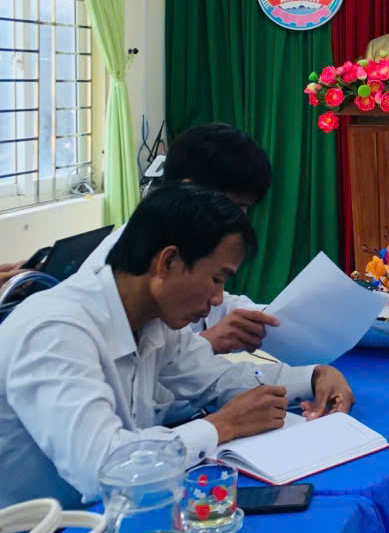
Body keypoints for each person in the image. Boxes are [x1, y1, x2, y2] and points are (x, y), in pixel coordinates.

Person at [0, 184, 354, 510]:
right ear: (167, 262)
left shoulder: (150, 318)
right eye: (216, 279)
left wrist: (313, 377)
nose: (218, 299)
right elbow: (102, 469)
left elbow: (215, 379)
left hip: (108, 518)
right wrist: (221, 426)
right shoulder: (55, 330)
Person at [80, 123, 278, 354]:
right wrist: (207, 342)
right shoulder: (120, 275)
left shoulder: (182, 251)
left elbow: (217, 309)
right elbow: (162, 365)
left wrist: (274, 319)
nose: (241, 220)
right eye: (235, 206)